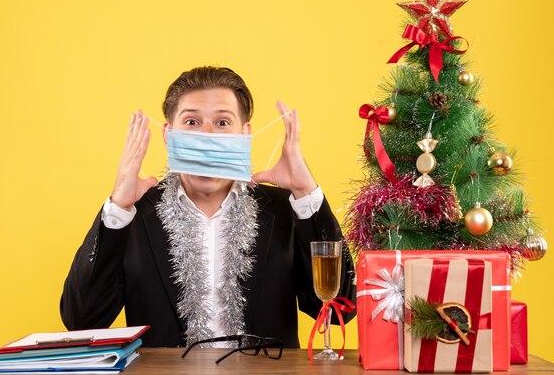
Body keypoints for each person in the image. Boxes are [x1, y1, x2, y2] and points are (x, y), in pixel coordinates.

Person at [60, 66, 355, 348]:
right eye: (191, 122)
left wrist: (306, 192)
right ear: (168, 133)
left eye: (223, 122)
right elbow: (82, 321)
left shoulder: (283, 211)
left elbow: (341, 307)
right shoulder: (132, 216)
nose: (207, 136)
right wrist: (119, 207)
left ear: (245, 133)